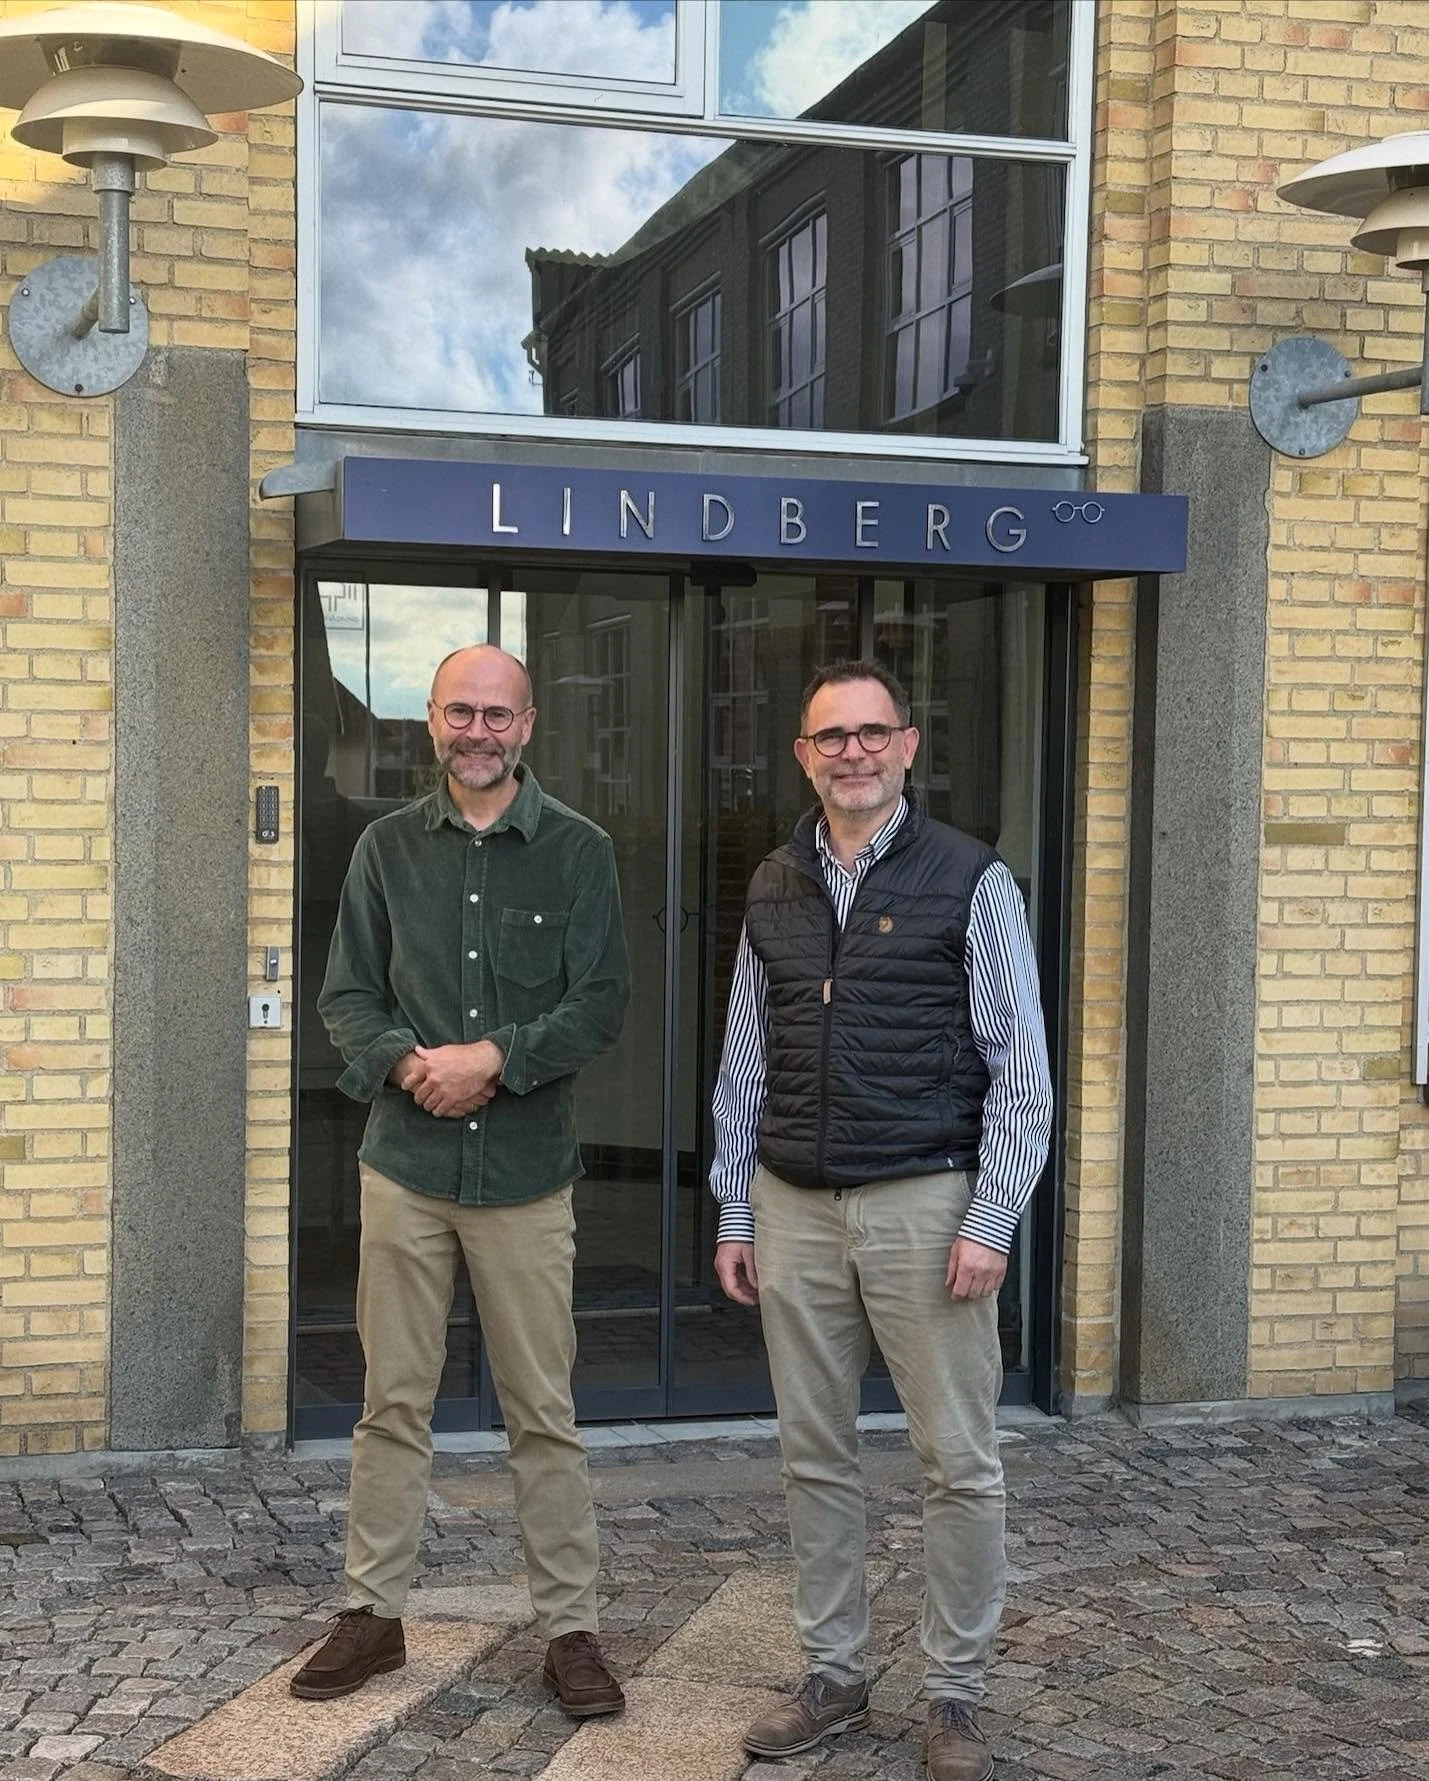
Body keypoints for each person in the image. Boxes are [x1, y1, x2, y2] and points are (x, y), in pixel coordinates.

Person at [710, 659, 1053, 1781]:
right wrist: (734, 1205)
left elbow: (1022, 1072)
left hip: (926, 1198)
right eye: (828, 737)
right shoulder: (774, 881)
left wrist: (991, 1214)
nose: (850, 752)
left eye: (871, 732)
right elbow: (743, 1064)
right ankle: (834, 1673)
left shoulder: (971, 879)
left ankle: (953, 1694)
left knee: (958, 1459)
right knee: (814, 1453)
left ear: (908, 743)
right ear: (804, 756)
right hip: (794, 1204)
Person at [294, 644, 630, 1718]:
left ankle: (569, 1627)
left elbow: (601, 1001)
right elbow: (345, 991)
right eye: (457, 712)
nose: (476, 731)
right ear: (427, 721)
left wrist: (495, 1058)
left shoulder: (577, 850)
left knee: (543, 1407)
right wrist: (409, 1062)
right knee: (392, 1401)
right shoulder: (386, 848)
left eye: (497, 714)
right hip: (405, 1166)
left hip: (527, 1177)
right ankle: (371, 1612)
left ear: (528, 725)